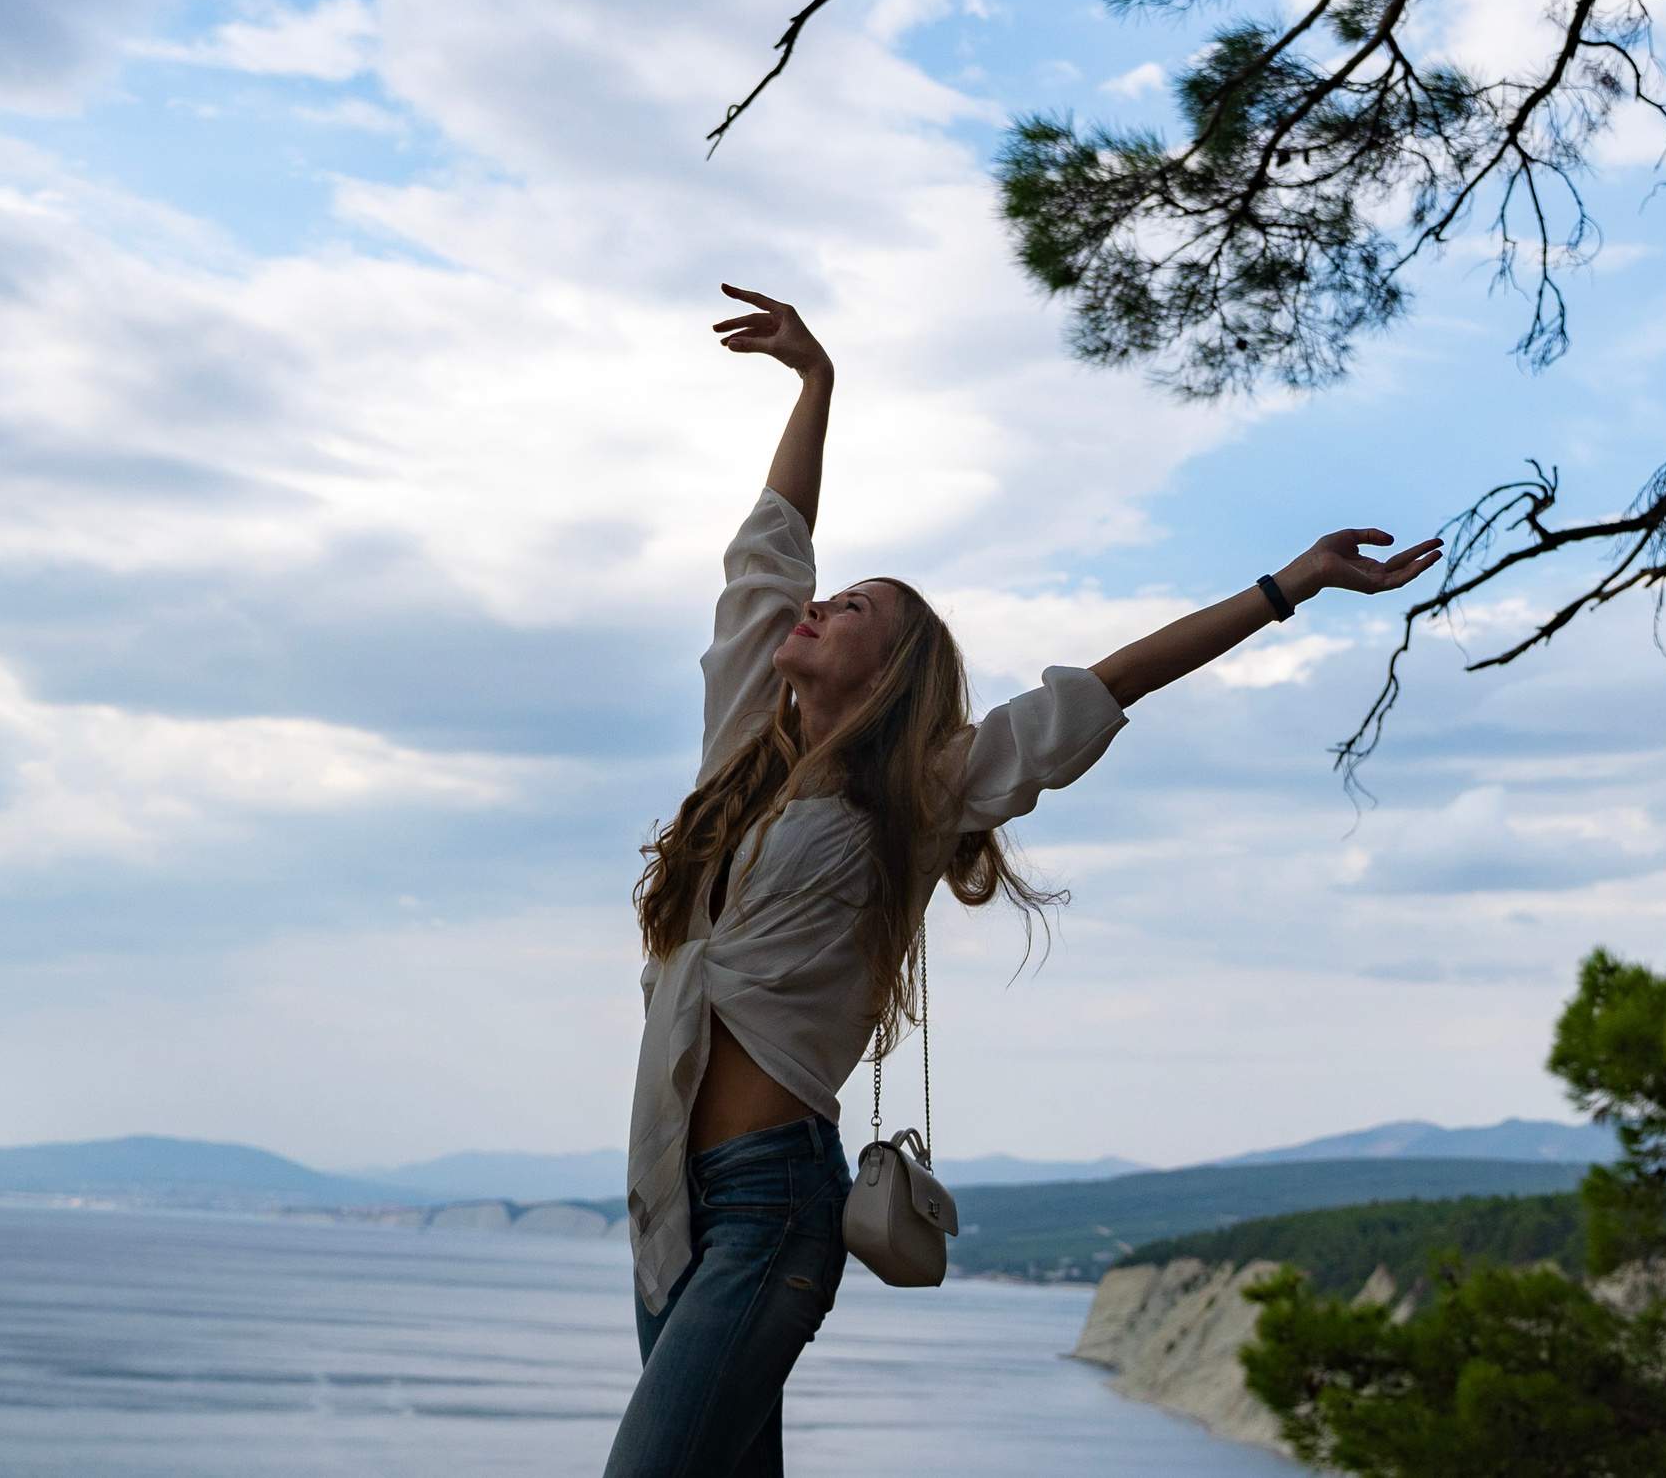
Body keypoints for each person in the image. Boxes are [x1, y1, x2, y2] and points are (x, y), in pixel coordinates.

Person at [604, 286, 1443, 1477]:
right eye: (828, 594)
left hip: (772, 1207)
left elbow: (1102, 690)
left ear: (893, 672)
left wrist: (1286, 588)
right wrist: (814, 386)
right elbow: (767, 551)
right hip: (666, 1200)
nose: (815, 603)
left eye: (852, 608)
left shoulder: (919, 788)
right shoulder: (743, 748)